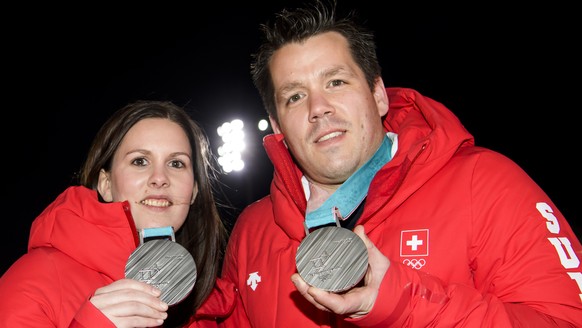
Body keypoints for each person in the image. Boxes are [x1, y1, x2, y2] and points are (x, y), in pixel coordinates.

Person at [219, 1, 582, 327]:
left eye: (336, 81)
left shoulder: (485, 183)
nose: (318, 108)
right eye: (295, 96)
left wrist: (403, 303)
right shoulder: (253, 230)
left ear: (377, 95)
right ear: (278, 125)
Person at [0, 100, 236, 327]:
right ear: (106, 184)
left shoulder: (213, 306)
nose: (160, 179)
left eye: (176, 164)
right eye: (140, 161)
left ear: (194, 190)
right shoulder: (35, 281)